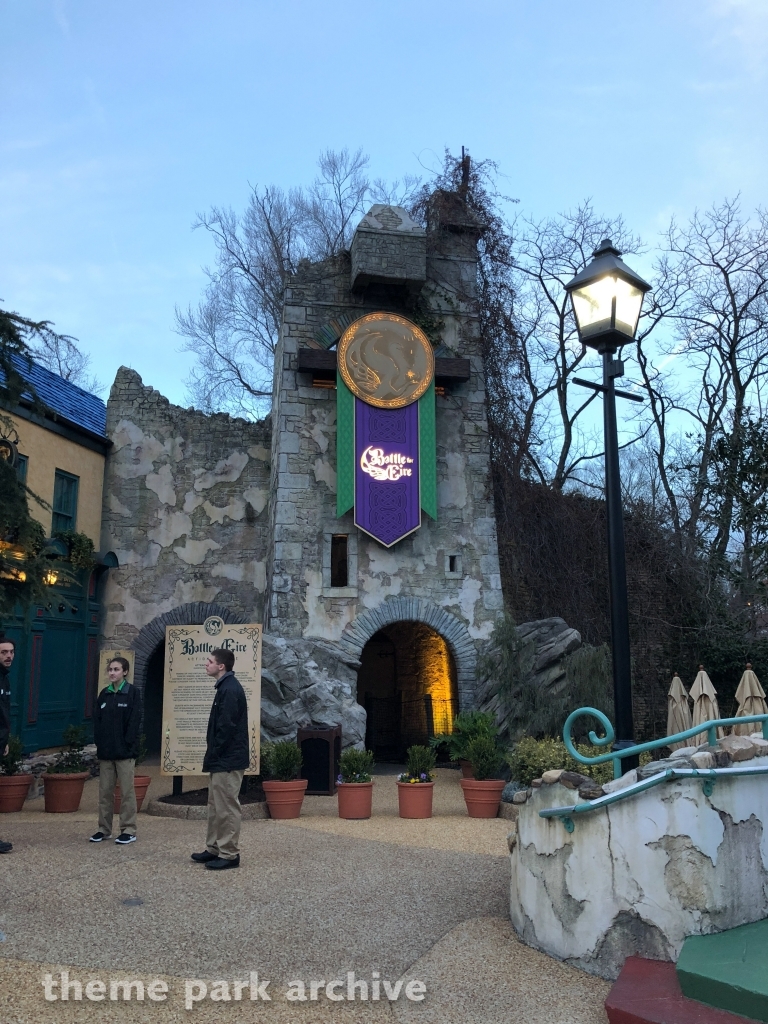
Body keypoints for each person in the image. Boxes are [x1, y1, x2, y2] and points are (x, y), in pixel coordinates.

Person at [191, 648, 249, 870]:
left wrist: (215, 752)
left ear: (221, 666)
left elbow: (226, 727)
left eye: (210, 661)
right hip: (222, 759)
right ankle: (214, 848)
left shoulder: (230, 689)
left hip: (227, 760)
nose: (206, 664)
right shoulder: (224, 687)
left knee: (226, 806)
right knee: (216, 805)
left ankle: (229, 854)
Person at [90, 657, 142, 845]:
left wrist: (127, 744)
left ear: (125, 672)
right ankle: (104, 829)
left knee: (127, 792)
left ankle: (128, 829)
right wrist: (100, 743)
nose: (112, 673)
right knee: (105, 792)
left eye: (116, 669)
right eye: (110, 669)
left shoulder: (132, 693)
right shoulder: (104, 694)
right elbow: (97, 721)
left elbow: (134, 721)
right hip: (106, 752)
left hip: (125, 752)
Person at [0, 636, 15, 853]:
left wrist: (5, 740)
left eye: (11, 652)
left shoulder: (5, 679)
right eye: (4, 652)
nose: (9, 656)